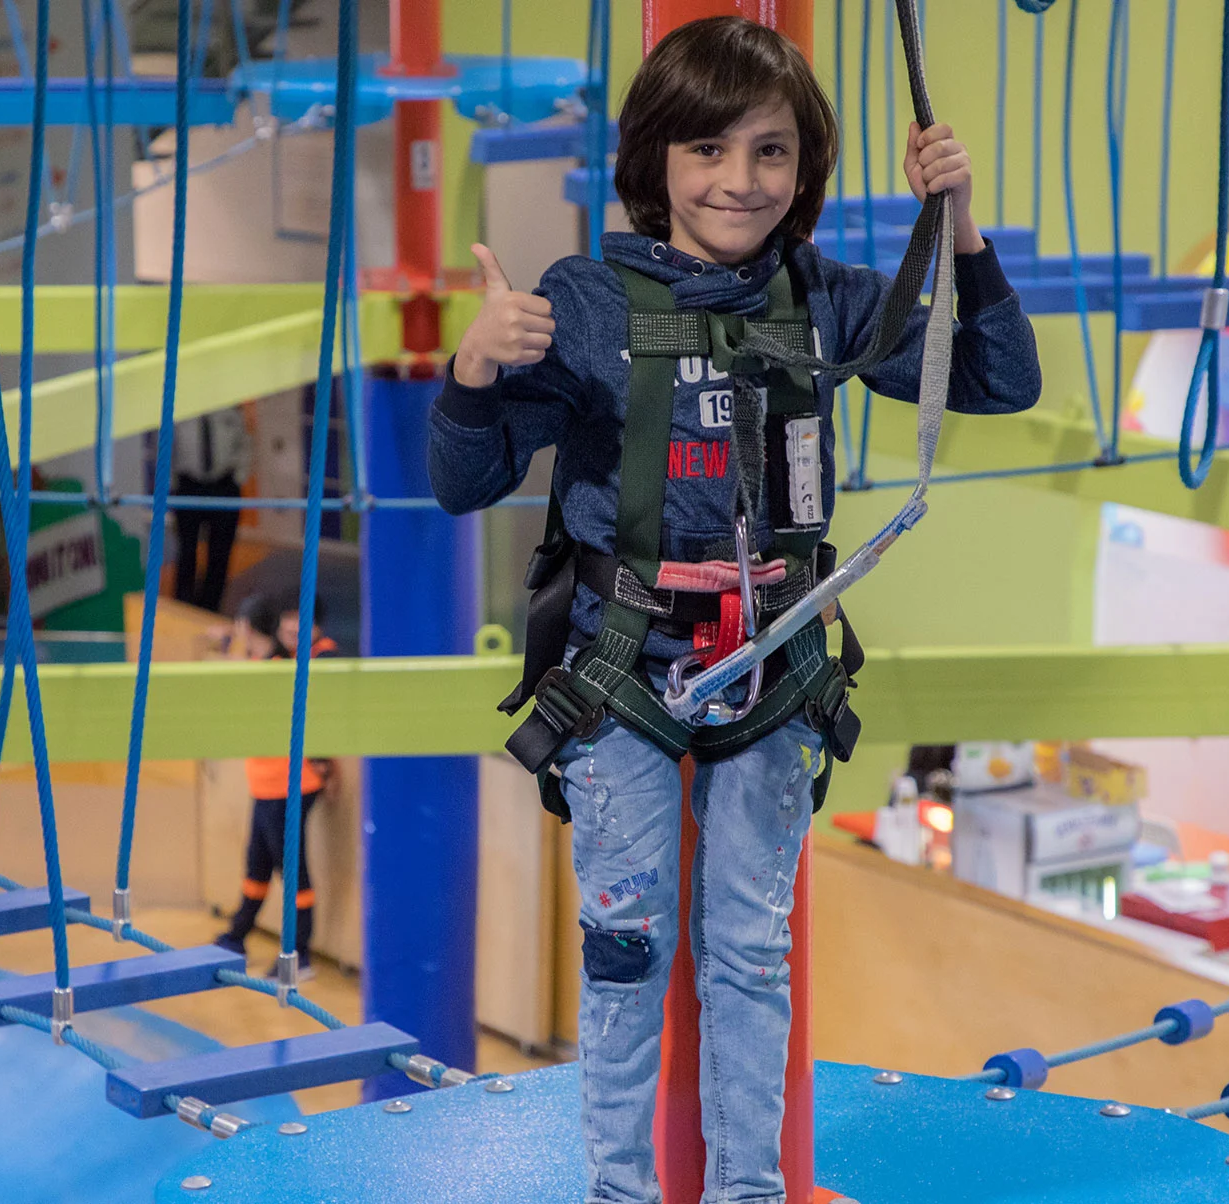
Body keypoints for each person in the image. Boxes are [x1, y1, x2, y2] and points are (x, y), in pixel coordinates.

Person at [426, 17, 1040, 1202]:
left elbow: (997, 378)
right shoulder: (587, 302)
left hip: (774, 667)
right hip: (622, 671)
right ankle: (619, 1190)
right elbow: (466, 484)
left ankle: (749, 1190)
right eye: (706, 152)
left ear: (803, 171)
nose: (738, 182)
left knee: (751, 956)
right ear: (655, 161)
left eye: (768, 154)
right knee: (625, 952)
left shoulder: (826, 299)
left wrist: (954, 222)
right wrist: (476, 368)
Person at [214, 594, 334, 978]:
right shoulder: (259, 664)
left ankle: (300, 955)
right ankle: (237, 935)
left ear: (247, 627)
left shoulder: (282, 668)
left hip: (290, 784)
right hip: (266, 784)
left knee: (291, 869)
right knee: (258, 864)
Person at [172, 408, 253, 612]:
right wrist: (171, 484)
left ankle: (211, 606)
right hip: (188, 485)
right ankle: (183, 605)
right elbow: (164, 449)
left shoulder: (232, 411)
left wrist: (238, 478)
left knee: (220, 552)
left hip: (224, 485)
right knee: (186, 549)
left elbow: (245, 444)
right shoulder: (177, 413)